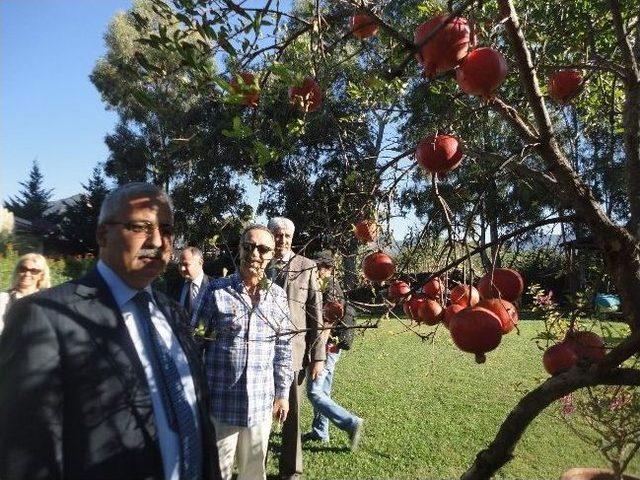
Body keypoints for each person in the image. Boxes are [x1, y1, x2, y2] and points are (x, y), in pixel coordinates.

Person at [0, 182, 221, 480]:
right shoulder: (44, 316)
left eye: (166, 230)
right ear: (103, 234)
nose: (157, 240)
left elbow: (198, 419)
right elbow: (25, 453)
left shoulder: (174, 313)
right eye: (140, 227)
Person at [192, 224, 293, 480]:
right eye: (248, 246)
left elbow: (283, 348)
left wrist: (282, 393)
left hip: (260, 405)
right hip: (221, 404)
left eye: (262, 248)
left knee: (253, 473)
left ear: (272, 254)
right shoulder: (215, 291)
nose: (255, 254)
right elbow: (194, 343)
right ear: (239, 249)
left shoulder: (278, 297)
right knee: (217, 472)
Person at [267, 217, 324, 480]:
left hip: (295, 354)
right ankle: (257, 469)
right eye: (277, 235)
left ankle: (291, 473)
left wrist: (318, 357)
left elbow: (316, 313)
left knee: (293, 417)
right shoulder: (260, 264)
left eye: (287, 235)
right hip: (263, 353)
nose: (282, 240)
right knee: (262, 417)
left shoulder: (306, 266)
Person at [302, 250, 363, 450]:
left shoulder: (330, 288)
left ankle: (350, 422)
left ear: (328, 269)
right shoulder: (326, 285)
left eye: (319, 267)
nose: (315, 270)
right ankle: (321, 432)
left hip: (327, 347)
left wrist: (317, 355)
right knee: (323, 391)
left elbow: (327, 324)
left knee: (314, 393)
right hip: (330, 348)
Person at [0, 253, 51, 331]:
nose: (27, 274)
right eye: (23, 269)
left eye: (34, 271)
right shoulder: (3, 299)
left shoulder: (49, 300)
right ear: (17, 271)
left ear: (41, 275)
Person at [177, 246, 210, 316]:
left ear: (200, 262)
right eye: (180, 264)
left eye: (186, 264)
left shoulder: (213, 287)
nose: (182, 268)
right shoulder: (174, 284)